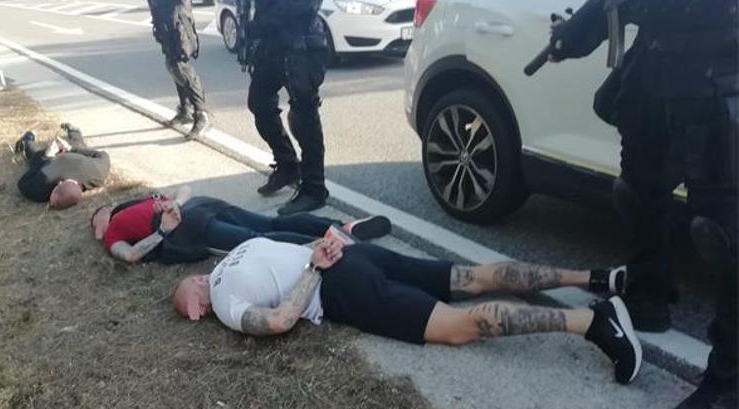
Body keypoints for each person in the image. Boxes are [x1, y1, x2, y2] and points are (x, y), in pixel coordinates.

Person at [546, 0, 736, 409]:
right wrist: (571, 38)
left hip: (719, 77)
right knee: (638, 193)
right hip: (652, 74)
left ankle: (729, 379)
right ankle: (647, 299)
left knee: (723, 234)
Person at [174, 237, 642, 385]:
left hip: (343, 286)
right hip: (358, 254)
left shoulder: (223, 300)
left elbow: (279, 321)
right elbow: (304, 243)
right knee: (473, 277)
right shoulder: (242, 247)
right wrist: (327, 250)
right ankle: (594, 278)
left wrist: (315, 269)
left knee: (458, 327)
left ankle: (593, 321)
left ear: (198, 306)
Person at [90, 185, 391, 264]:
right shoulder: (112, 234)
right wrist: (162, 230)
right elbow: (130, 255)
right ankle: (339, 233)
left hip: (199, 210)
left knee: (264, 231)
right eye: (97, 216)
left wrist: (175, 204)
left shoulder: (144, 200)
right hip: (190, 228)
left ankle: (341, 232)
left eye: (103, 210)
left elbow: (185, 189)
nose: (102, 214)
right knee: (261, 234)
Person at [243, 0, 329, 214]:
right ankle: (287, 164)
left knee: (305, 116)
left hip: (301, 44)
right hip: (271, 45)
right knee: (259, 103)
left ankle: (314, 189)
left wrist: (265, 21)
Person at [148, 0, 212, 140]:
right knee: (172, 63)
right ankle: (185, 110)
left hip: (177, 16)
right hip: (164, 17)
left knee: (179, 65)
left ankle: (202, 114)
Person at [12, 123, 110, 209]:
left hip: (51, 158)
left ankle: (28, 138)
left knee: (33, 154)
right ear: (60, 183)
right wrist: (70, 148)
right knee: (78, 145)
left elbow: (23, 182)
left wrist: (46, 156)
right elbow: (103, 155)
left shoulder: (42, 185)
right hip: (71, 153)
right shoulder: (96, 173)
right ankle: (74, 132)